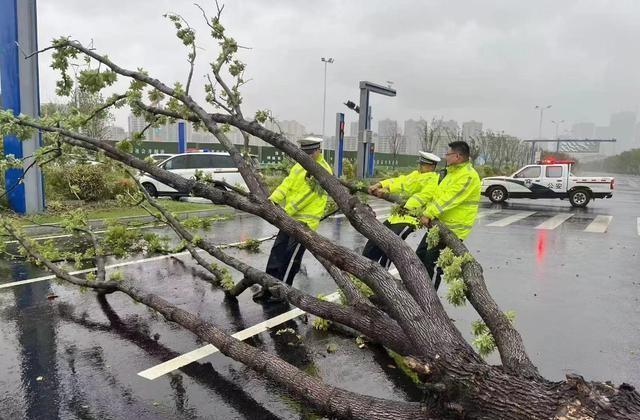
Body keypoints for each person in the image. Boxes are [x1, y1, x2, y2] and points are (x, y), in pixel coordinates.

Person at [253, 137, 333, 304]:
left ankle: (283, 291)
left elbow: (307, 196)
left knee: (290, 257)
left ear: (318, 151)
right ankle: (268, 286)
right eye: (305, 153)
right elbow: (286, 184)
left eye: (311, 153)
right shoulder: (299, 166)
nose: (308, 156)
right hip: (289, 218)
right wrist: (273, 200)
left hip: (305, 223)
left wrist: (286, 212)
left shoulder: (323, 170)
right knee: (277, 251)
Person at [416, 141, 481, 290]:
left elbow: (449, 199)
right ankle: (417, 294)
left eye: (448, 154)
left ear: (457, 156)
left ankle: (429, 303)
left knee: (432, 266)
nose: (445, 157)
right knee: (419, 256)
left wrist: (428, 213)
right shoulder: (452, 173)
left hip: (452, 230)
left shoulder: (468, 176)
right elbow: (439, 196)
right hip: (439, 226)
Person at [363, 151, 441, 268]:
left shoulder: (432, 179)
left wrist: (404, 204)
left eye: (423, 164)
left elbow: (422, 196)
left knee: (390, 247)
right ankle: (363, 268)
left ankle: (381, 276)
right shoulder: (416, 174)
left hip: (410, 219)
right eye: (420, 163)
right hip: (397, 217)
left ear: (431, 166)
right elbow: (400, 181)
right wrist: (380, 185)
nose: (419, 166)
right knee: (374, 240)